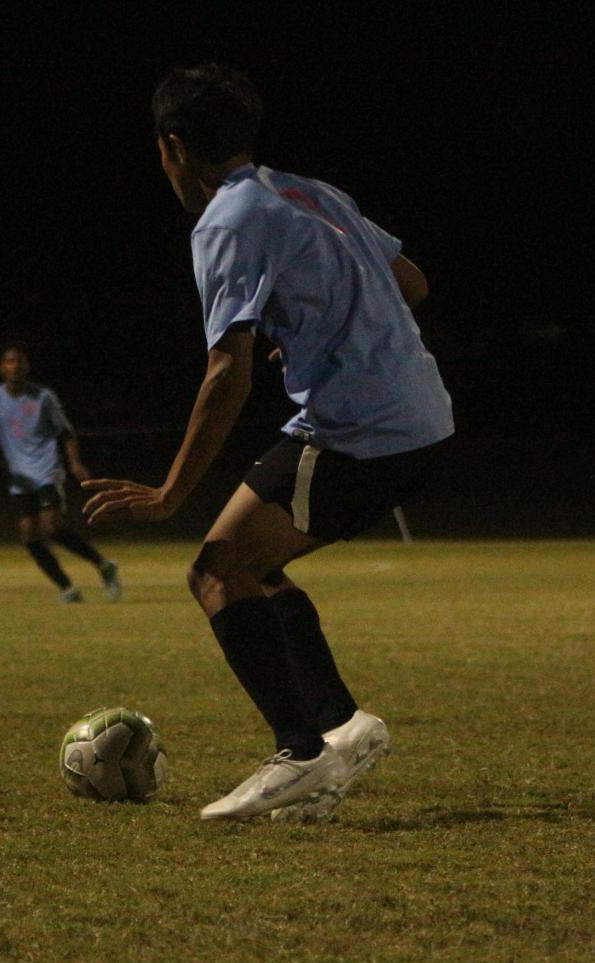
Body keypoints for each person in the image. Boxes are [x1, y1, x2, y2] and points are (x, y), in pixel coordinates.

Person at [82, 64, 455, 821]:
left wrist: (169, 493)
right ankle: (340, 723)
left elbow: (227, 371)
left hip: (361, 428)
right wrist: (321, 322)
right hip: (419, 415)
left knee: (217, 570)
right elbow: (411, 283)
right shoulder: (312, 192)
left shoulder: (224, 220)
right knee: (254, 564)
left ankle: (301, 753)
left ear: (172, 147)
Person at [0, 344, 121, 603]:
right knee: (29, 537)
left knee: (52, 528)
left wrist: (75, 464)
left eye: (19, 361)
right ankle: (67, 589)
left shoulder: (43, 397)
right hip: (21, 480)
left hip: (47, 472)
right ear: (2, 368)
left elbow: (65, 432)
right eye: (9, 361)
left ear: (26, 367)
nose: (15, 366)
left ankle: (102, 565)